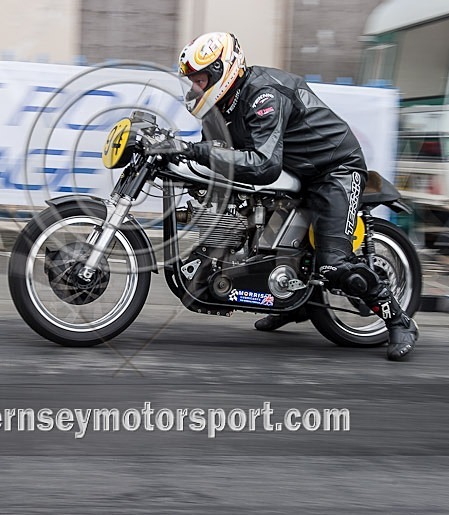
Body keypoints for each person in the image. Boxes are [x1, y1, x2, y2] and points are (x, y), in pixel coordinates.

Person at [146, 32, 418, 360]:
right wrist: (176, 151)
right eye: (191, 82)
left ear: (224, 71)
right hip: (297, 172)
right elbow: (218, 153)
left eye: (201, 80)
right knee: (255, 229)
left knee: (334, 264)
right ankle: (293, 304)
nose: (195, 89)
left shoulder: (263, 94)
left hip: (332, 170)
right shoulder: (218, 105)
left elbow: (262, 165)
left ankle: (398, 320)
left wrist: (194, 151)